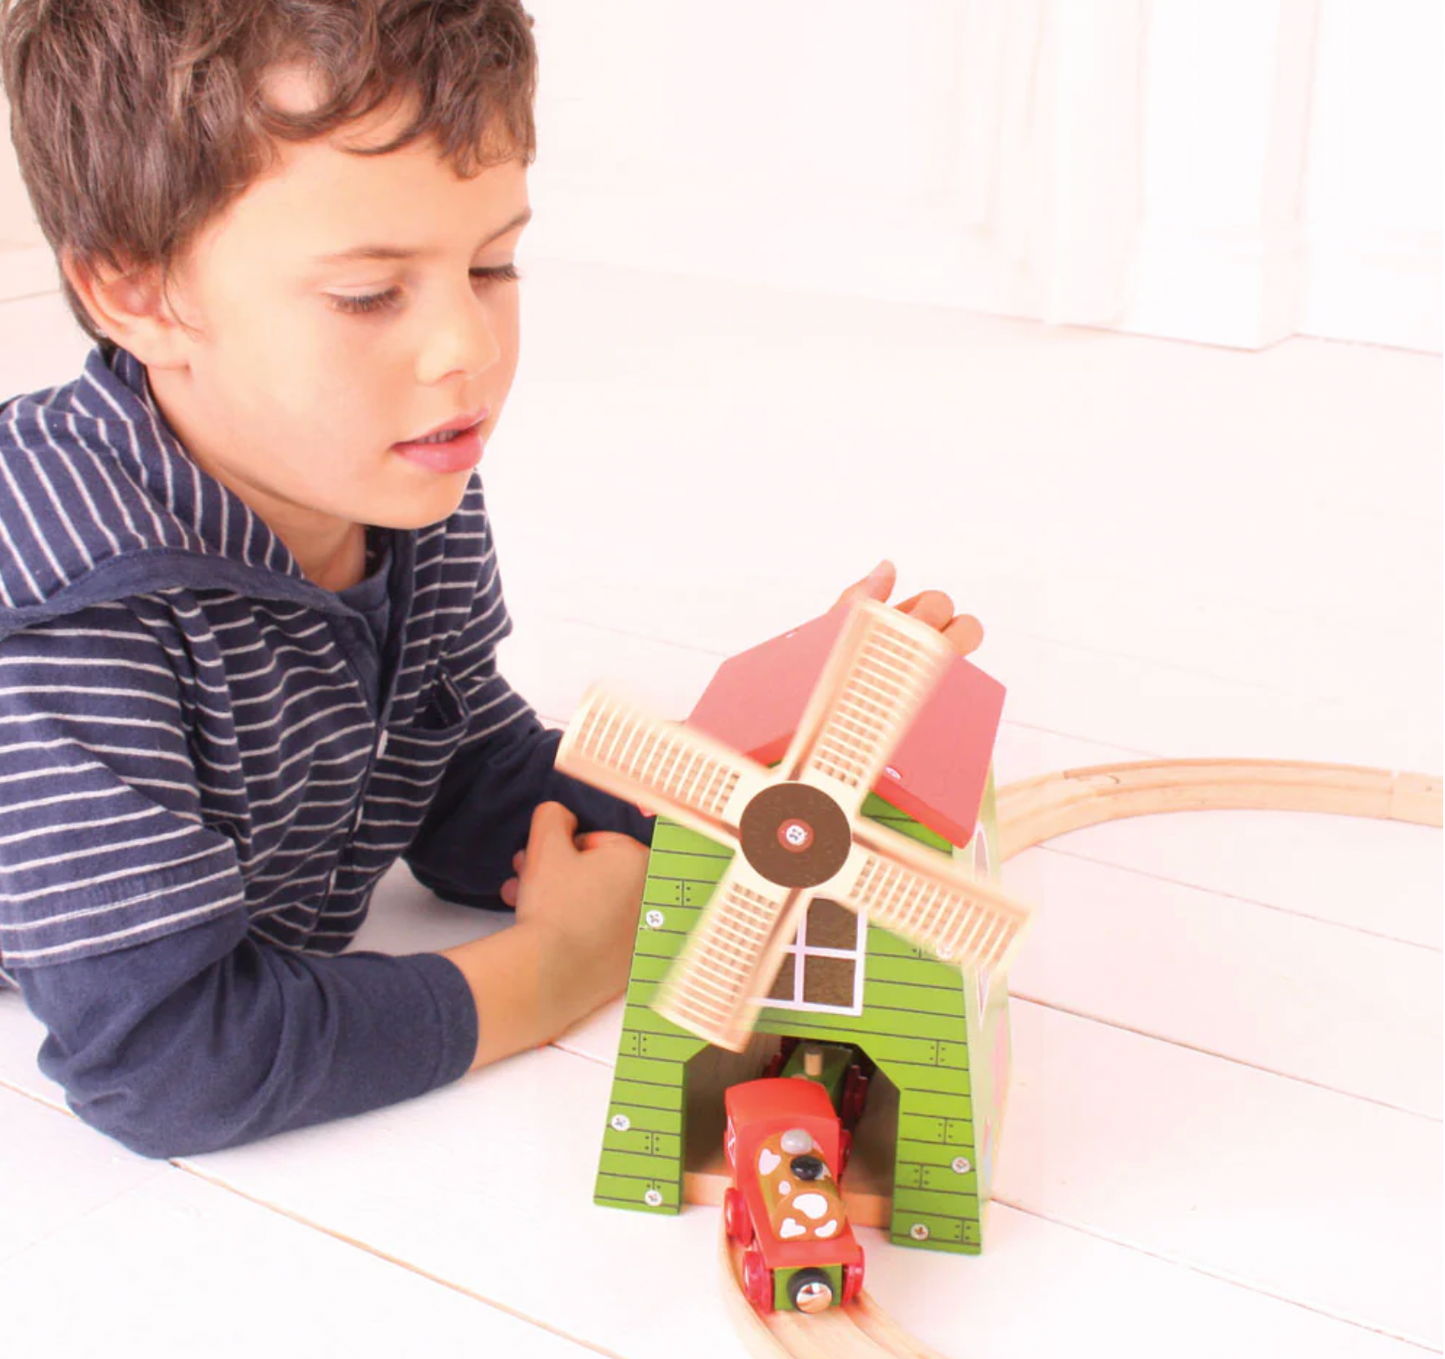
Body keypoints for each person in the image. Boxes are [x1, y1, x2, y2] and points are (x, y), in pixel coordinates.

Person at [0, 0, 983, 1158]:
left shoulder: (388, 470)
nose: (466, 346)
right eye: (368, 294)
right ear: (137, 293)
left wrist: (749, 764)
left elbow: (456, 788)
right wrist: (546, 973)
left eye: (491, 261)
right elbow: (169, 1065)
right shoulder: (72, 621)